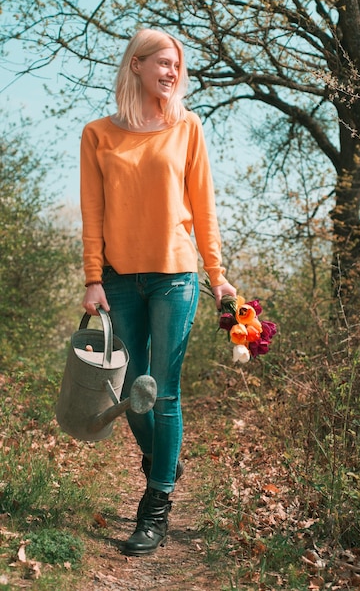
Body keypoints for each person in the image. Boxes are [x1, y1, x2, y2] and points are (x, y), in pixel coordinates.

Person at [80, 28, 236, 555]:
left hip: (175, 277)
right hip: (119, 279)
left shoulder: (187, 128)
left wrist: (218, 275)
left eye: (177, 65)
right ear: (138, 65)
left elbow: (205, 208)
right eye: (164, 63)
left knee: (162, 391)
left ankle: (157, 503)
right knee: (129, 392)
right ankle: (160, 456)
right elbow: (93, 214)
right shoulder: (97, 134)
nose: (172, 72)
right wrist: (92, 278)